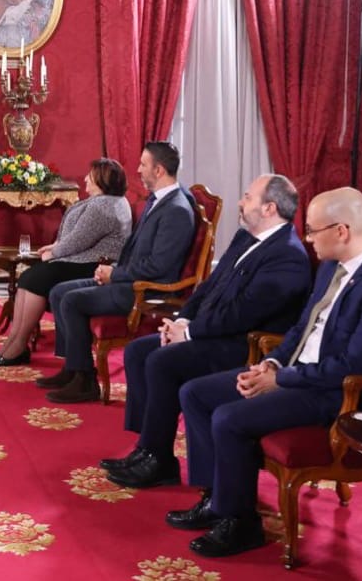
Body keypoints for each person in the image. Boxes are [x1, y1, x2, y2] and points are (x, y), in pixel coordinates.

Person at [172, 187, 362, 558]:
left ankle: (240, 523)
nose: (307, 238)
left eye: (313, 230)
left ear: (341, 231)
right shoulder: (332, 266)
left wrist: (280, 380)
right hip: (300, 375)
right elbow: (302, 329)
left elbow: (351, 368)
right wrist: (271, 363)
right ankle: (216, 498)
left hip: (341, 394)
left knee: (229, 418)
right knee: (195, 393)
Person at [102, 174, 312, 489]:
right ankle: (148, 447)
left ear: (270, 208)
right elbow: (208, 287)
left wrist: (189, 334)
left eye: (247, 197)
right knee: (138, 351)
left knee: (162, 361)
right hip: (215, 332)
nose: (240, 202)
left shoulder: (288, 256)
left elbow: (242, 314)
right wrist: (182, 321)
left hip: (246, 345)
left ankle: (159, 461)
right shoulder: (245, 237)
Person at [38, 141, 196, 403]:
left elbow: (159, 267)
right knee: (58, 292)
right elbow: (136, 251)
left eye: (143, 165)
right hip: (129, 278)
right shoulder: (160, 200)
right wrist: (113, 269)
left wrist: (115, 275)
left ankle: (85, 381)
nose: (138, 170)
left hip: (147, 290)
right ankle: (72, 369)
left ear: (158, 170)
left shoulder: (176, 210)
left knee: (72, 300)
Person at [0, 158, 133, 366]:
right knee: (29, 277)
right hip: (82, 259)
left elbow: (79, 240)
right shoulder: (103, 201)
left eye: (90, 176)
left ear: (102, 180)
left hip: (94, 265)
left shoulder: (103, 207)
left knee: (35, 278)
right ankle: (14, 341)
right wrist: (54, 246)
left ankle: (18, 344)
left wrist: (54, 252)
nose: (85, 179)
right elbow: (73, 235)